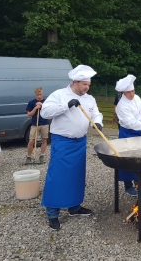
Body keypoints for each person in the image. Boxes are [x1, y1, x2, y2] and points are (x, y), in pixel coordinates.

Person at [40, 65, 103, 230]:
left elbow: (96, 113)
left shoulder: (89, 98)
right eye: (84, 84)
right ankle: (52, 213)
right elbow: (45, 113)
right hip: (63, 142)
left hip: (80, 142)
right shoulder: (59, 94)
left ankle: (74, 207)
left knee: (77, 176)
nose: (87, 88)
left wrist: (97, 122)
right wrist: (66, 105)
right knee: (58, 177)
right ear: (75, 82)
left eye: (88, 85)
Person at [115, 74, 141, 196]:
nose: (132, 94)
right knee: (128, 159)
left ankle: (138, 181)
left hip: (139, 133)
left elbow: (139, 104)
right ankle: (128, 185)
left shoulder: (136, 97)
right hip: (128, 133)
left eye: (133, 91)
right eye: (129, 92)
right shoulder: (122, 106)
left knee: (140, 157)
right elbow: (132, 123)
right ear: (124, 92)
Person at [25, 87, 49, 164]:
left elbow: (49, 112)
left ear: (43, 93)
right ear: (35, 94)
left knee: (44, 140)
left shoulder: (46, 102)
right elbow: (29, 115)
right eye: (37, 94)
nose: (39, 96)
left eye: (40, 94)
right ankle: (29, 157)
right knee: (31, 140)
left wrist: (42, 105)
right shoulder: (31, 103)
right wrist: (35, 108)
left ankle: (42, 156)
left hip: (44, 124)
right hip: (35, 124)